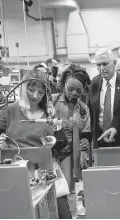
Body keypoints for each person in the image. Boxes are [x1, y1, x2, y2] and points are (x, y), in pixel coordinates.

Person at [0, 69, 72, 219]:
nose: (35, 95)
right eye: (31, 89)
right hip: (19, 174)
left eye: (40, 92)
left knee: (63, 213)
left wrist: (55, 141)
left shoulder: (49, 112)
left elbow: (63, 145)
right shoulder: (10, 111)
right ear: (22, 87)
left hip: (48, 171)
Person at [52, 63, 91, 217]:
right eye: (70, 89)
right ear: (63, 85)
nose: (74, 93)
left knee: (69, 187)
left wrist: (86, 141)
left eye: (78, 91)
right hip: (51, 153)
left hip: (69, 154)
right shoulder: (52, 102)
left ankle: (71, 216)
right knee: (51, 187)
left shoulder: (83, 108)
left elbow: (86, 130)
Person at [89, 48, 120, 149]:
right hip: (100, 140)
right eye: (98, 65)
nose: (101, 68)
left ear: (114, 63)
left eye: (105, 64)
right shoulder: (94, 83)